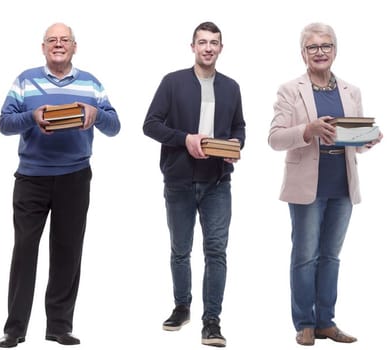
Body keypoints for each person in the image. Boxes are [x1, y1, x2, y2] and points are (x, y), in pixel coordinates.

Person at [0, 23, 120, 348]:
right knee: (25, 251)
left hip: (75, 177)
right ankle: (15, 328)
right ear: (43, 47)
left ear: (74, 47)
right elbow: (4, 123)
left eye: (64, 40)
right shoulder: (24, 81)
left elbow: (115, 126)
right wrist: (32, 116)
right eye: (52, 40)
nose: (58, 44)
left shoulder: (91, 83)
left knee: (68, 251)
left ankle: (59, 326)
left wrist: (96, 113)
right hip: (31, 177)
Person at [268, 22, 381, 346]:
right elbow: (275, 138)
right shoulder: (290, 90)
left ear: (335, 50)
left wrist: (368, 139)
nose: (320, 52)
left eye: (326, 46)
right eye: (313, 47)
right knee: (305, 257)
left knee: (331, 256)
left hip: (342, 187)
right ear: (303, 53)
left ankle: (325, 322)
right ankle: (304, 323)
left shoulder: (350, 91)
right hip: (307, 188)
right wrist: (308, 129)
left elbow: (354, 142)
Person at [142, 21, 245, 348]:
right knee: (180, 250)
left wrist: (235, 146)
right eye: (202, 42)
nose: (208, 48)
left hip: (217, 182)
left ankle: (211, 321)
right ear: (193, 47)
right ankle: (182, 306)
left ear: (221, 48)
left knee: (216, 251)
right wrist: (184, 139)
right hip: (180, 181)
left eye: (214, 42)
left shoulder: (231, 87)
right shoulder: (172, 83)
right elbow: (150, 125)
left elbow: (240, 127)